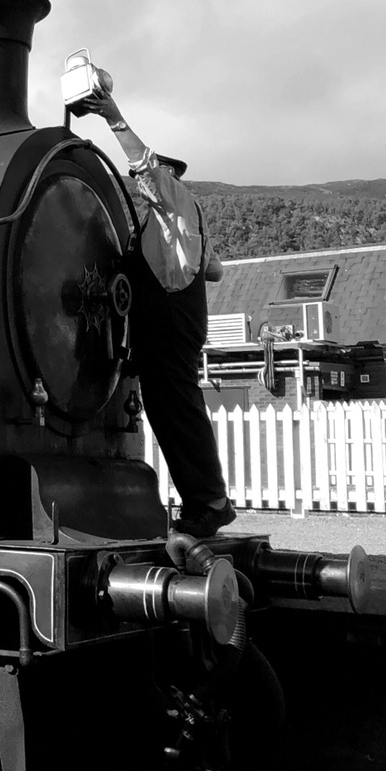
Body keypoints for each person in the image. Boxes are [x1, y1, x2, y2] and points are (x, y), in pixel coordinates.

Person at [76, 80, 236, 537]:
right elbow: (215, 271)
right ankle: (204, 499)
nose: (144, 186)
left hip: (169, 319)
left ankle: (210, 501)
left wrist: (113, 117)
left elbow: (144, 166)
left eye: (154, 178)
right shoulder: (173, 222)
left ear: (168, 176)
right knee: (170, 408)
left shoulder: (172, 196)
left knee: (177, 407)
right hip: (170, 318)